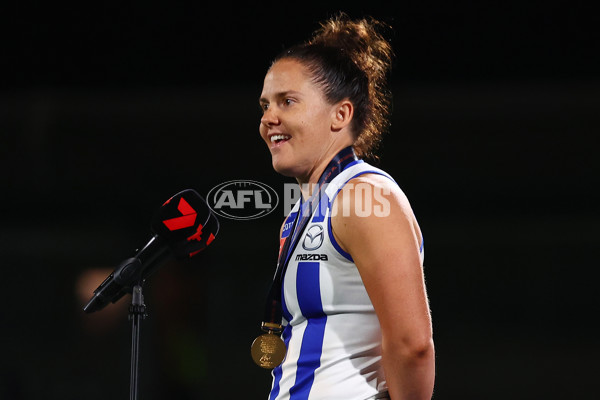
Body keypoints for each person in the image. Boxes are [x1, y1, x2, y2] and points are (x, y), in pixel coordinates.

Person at [257, 12, 435, 400]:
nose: (269, 118)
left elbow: (413, 345)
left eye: (287, 102)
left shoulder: (365, 199)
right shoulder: (300, 215)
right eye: (265, 105)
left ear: (341, 114)